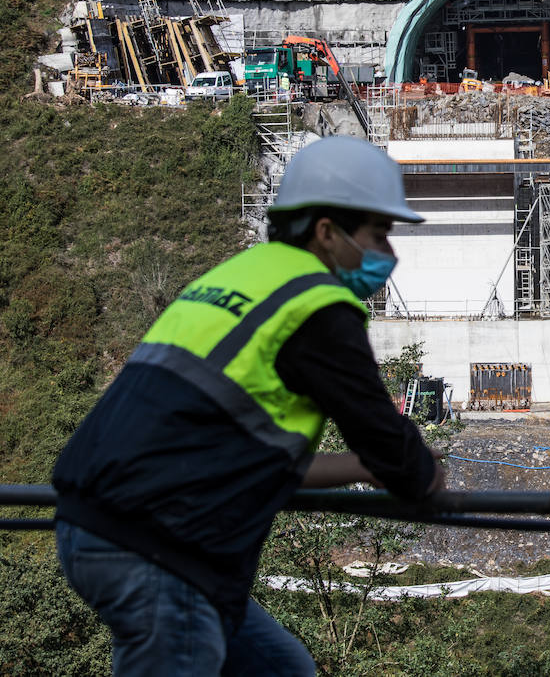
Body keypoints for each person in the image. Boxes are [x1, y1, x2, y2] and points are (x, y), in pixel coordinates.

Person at [52, 136, 443, 675]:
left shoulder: (239, 277)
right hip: (157, 546)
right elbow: (398, 455)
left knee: (283, 668)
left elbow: (233, 446)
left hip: (97, 523)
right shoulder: (316, 305)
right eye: (378, 235)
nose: (388, 254)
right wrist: (421, 473)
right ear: (327, 232)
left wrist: (360, 468)